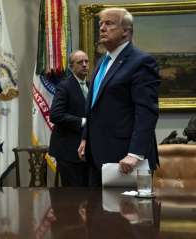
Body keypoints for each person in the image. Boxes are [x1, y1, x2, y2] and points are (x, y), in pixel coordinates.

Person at [78, 8, 160, 186]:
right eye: (100, 24)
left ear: (126, 31)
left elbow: (146, 111)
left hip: (126, 158)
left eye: (109, 23)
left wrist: (135, 153)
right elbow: (94, 104)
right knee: (97, 211)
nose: (102, 28)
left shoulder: (141, 62)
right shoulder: (102, 61)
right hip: (96, 154)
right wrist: (86, 137)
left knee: (127, 212)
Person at [49, 50, 89, 186]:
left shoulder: (91, 85)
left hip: (86, 150)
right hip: (67, 149)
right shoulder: (64, 86)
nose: (84, 65)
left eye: (86, 61)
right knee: (72, 195)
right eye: (80, 62)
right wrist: (82, 122)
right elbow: (55, 115)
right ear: (72, 67)